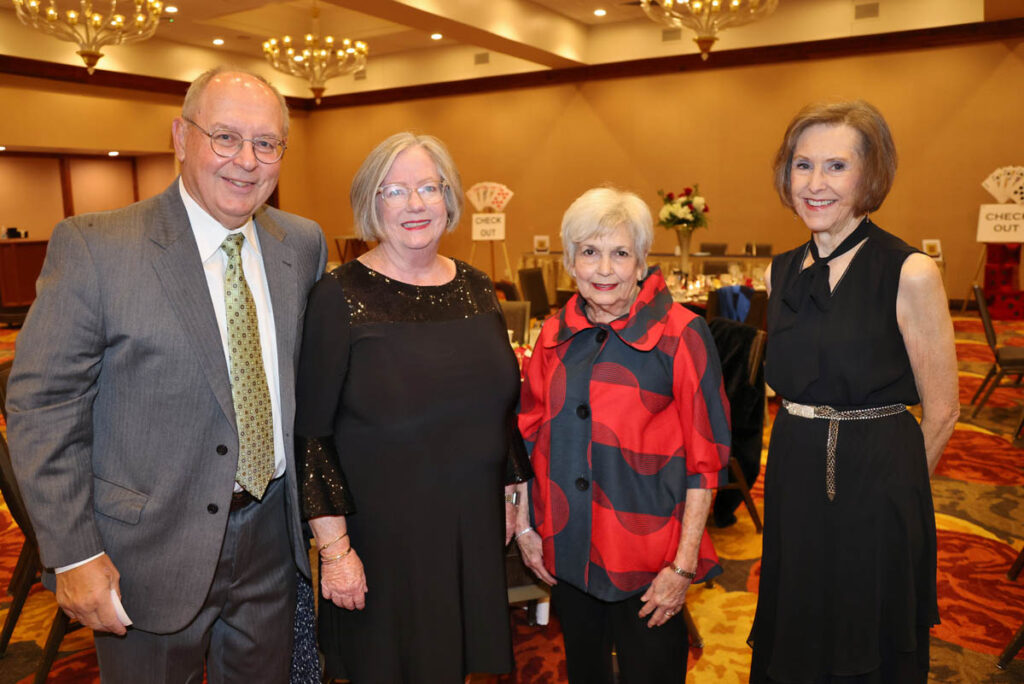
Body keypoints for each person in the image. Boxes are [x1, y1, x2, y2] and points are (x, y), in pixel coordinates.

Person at [7, 67, 327, 682]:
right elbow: (43, 408)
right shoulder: (98, 247)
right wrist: (74, 553)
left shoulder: (302, 244)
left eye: (266, 143)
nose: (247, 160)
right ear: (181, 137)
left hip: (271, 539)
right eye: (225, 136)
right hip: (145, 552)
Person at [294, 131, 532, 683]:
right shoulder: (339, 296)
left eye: (429, 187)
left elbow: (500, 408)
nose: (415, 203)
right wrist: (335, 552)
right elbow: (311, 436)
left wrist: (511, 492)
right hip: (384, 541)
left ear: (448, 198)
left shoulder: (477, 288)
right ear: (371, 203)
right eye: (395, 190)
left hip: (470, 529)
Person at [748, 101, 959, 683]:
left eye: (836, 166)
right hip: (793, 471)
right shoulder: (778, 271)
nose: (814, 183)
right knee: (798, 618)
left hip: (878, 480)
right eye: (802, 165)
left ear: (870, 176)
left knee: (867, 630)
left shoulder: (910, 271)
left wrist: (897, 492)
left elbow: (944, 410)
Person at [514, 187, 732, 684]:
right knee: (585, 672)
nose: (605, 269)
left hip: (650, 559)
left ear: (641, 262)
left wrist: (682, 568)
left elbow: (706, 463)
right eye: (590, 252)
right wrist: (526, 528)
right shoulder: (553, 335)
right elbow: (526, 438)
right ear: (570, 262)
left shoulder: (681, 334)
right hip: (568, 547)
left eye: (620, 253)